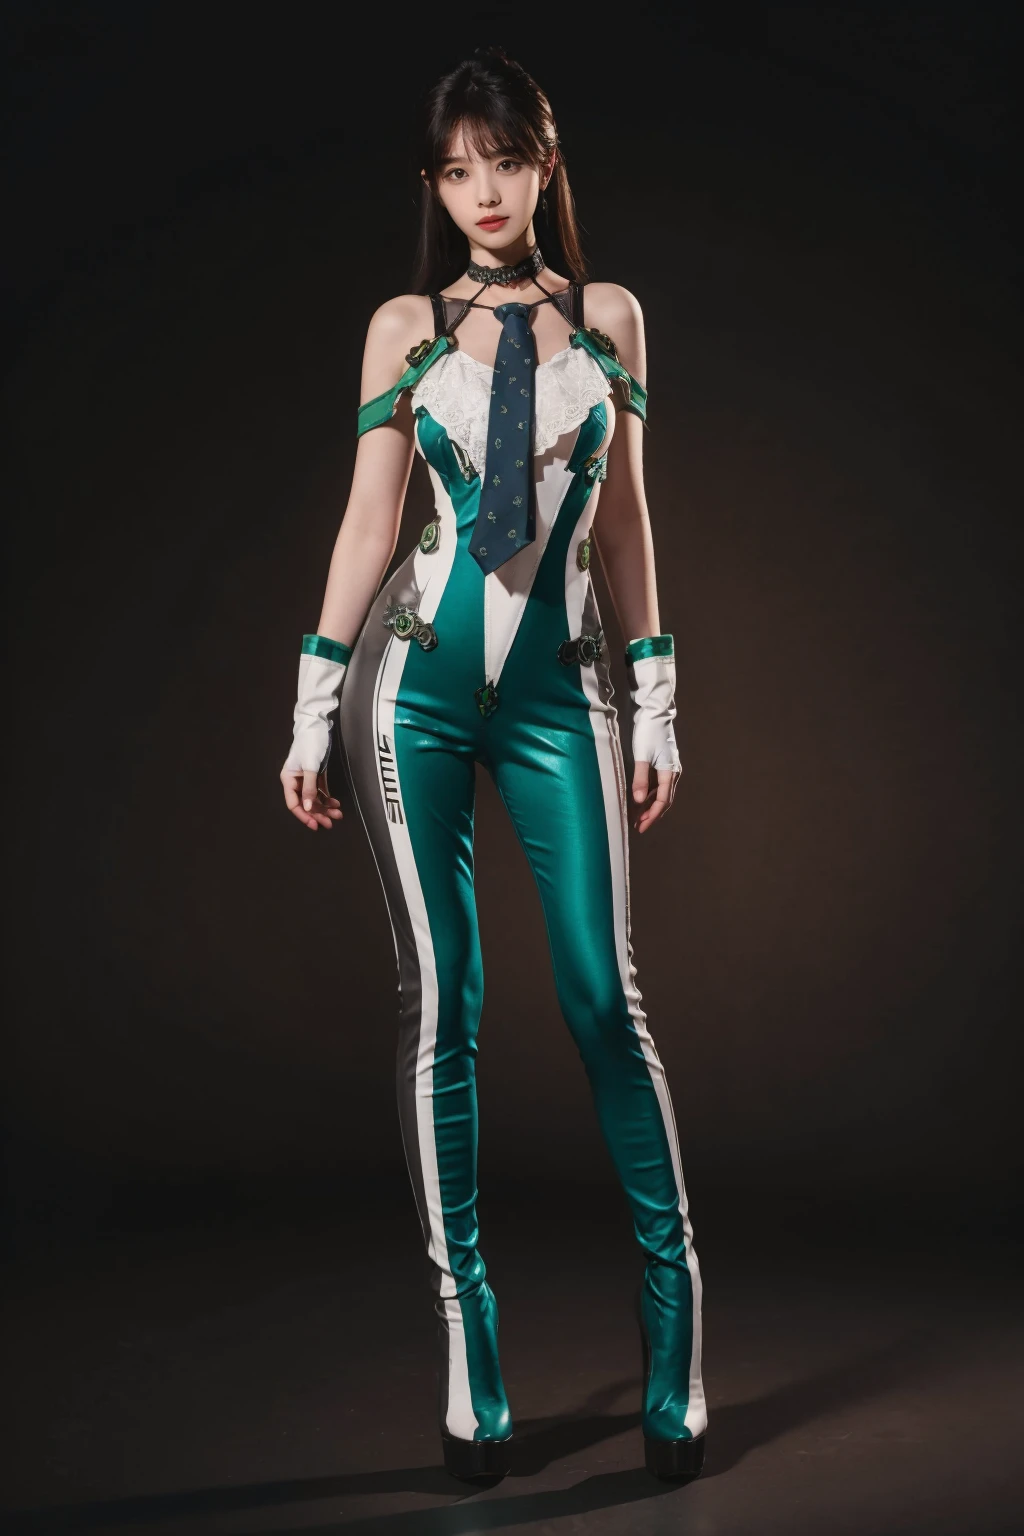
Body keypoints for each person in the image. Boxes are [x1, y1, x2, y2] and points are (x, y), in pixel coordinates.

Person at [280, 47, 706, 1485]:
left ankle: (675, 1333)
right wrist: (309, 702)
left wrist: (656, 698)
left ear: (544, 167)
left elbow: (627, 520)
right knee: (442, 1003)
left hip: (561, 694)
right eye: (458, 169)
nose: (484, 192)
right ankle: (473, 1359)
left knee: (602, 995)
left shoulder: (609, 317)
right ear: (435, 183)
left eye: (506, 162)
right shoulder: (402, 327)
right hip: (406, 692)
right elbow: (368, 522)